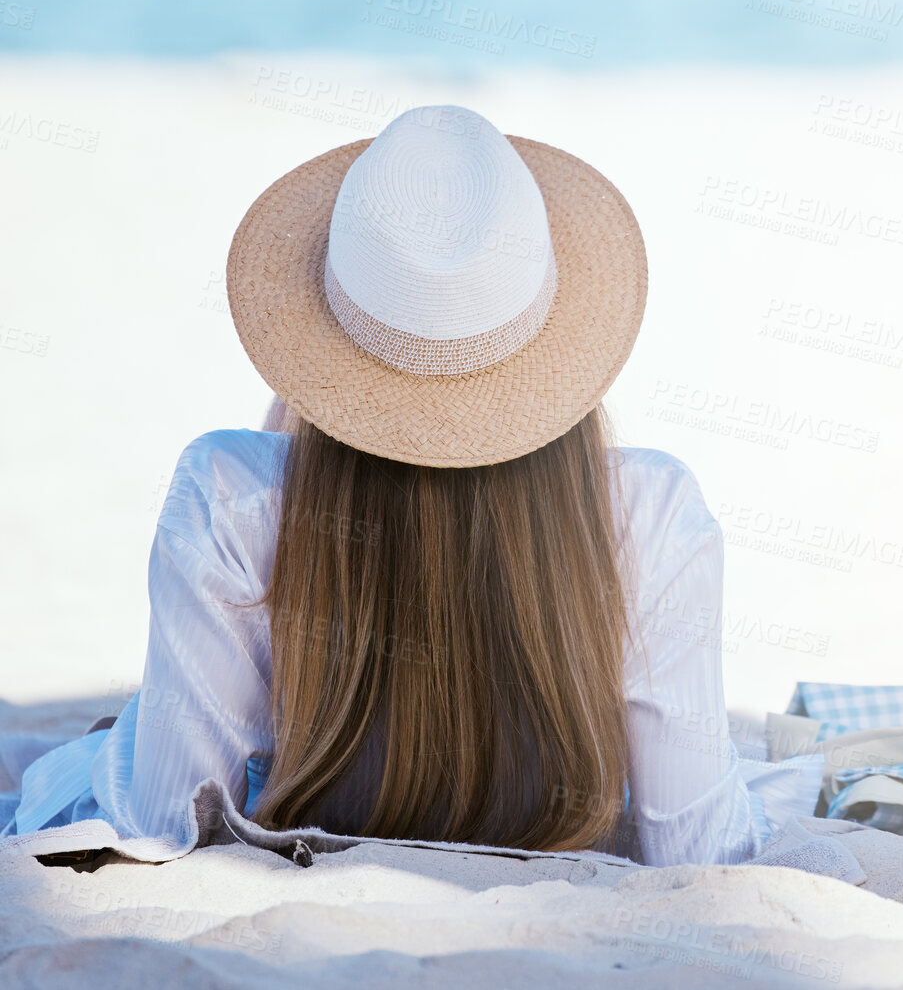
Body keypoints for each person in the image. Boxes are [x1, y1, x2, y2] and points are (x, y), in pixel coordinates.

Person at [6, 106, 824, 864]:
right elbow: (699, 850)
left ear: (326, 336)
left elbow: (166, 825)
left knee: (98, 749)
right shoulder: (654, 510)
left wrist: (279, 447)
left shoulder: (230, 491)